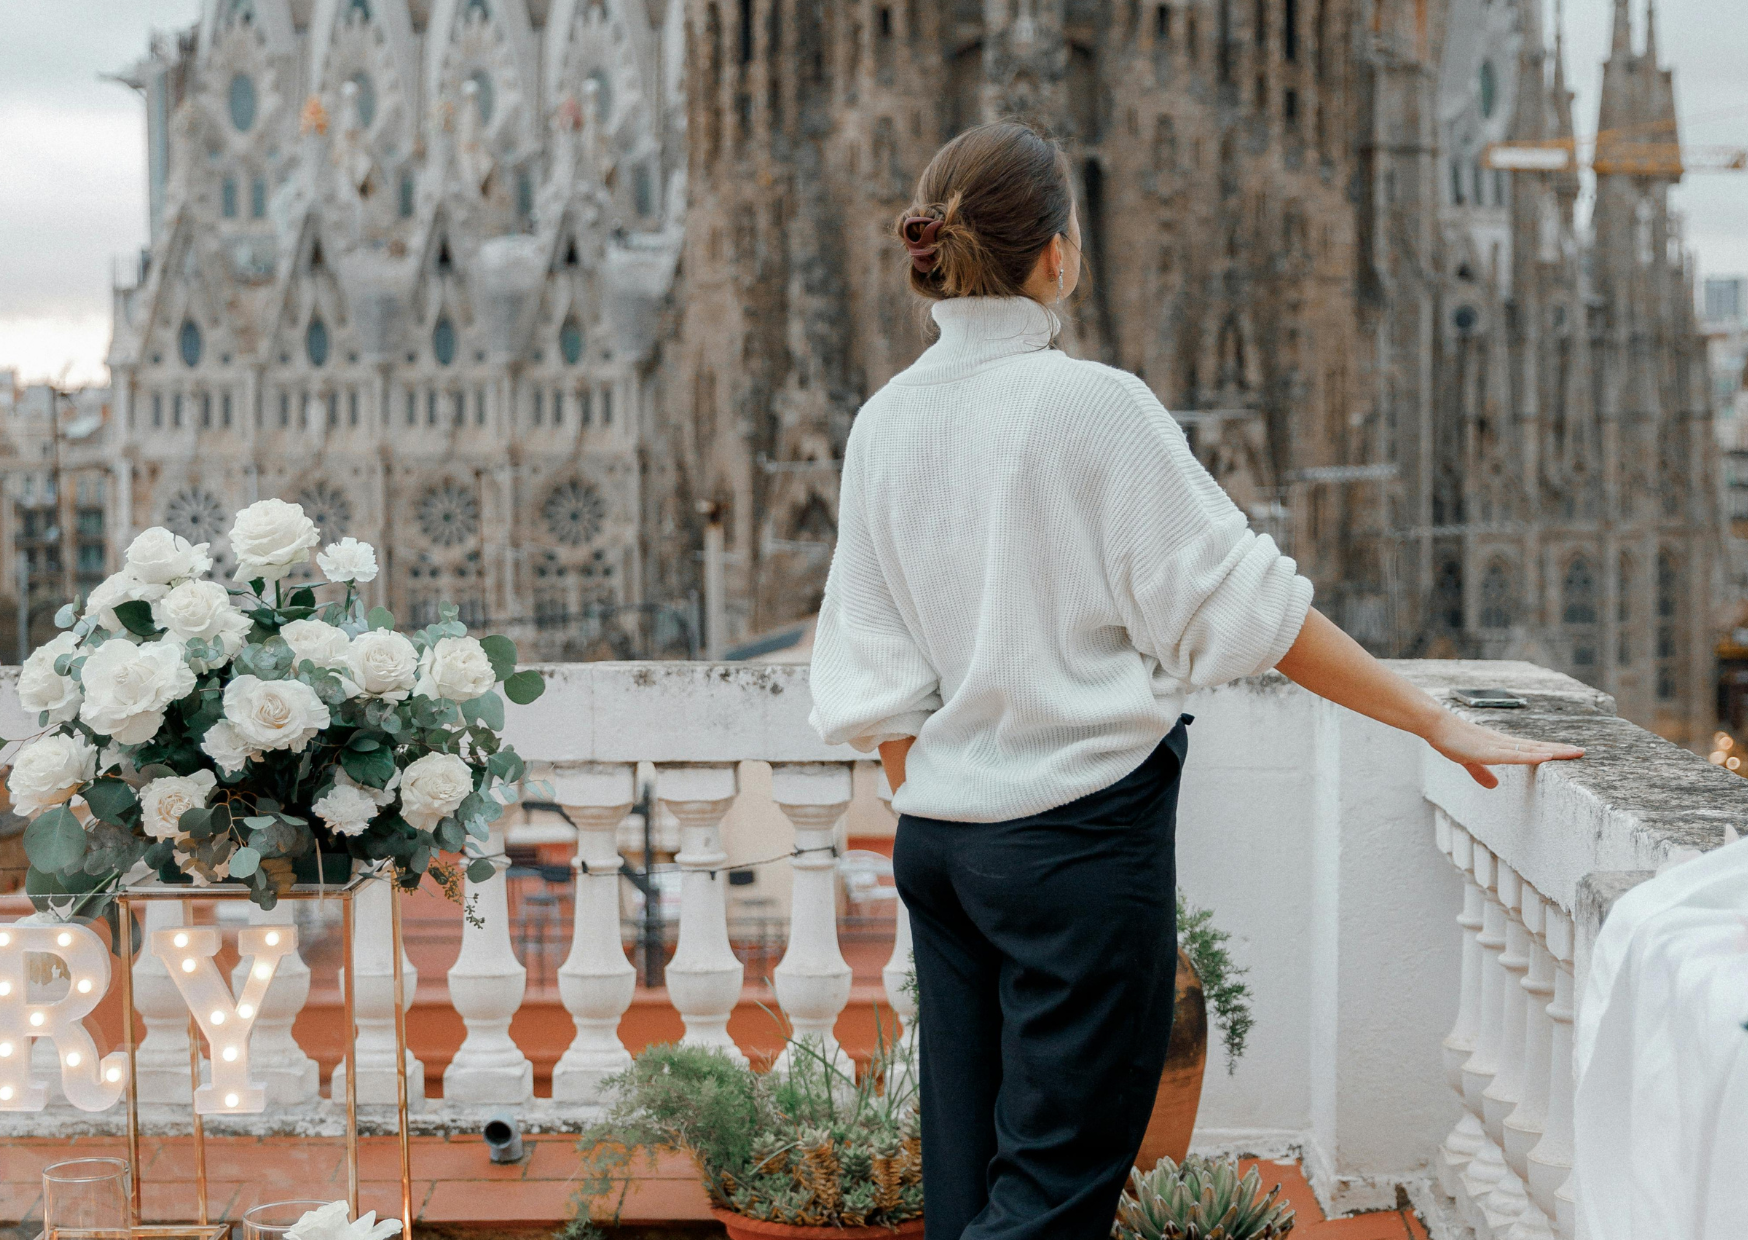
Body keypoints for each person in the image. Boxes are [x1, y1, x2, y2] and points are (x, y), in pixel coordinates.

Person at [806, 120, 1584, 1240]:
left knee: (966, 1176)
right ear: (1059, 253)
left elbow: (873, 666)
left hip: (940, 844)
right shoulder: (1093, 406)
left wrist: (944, 795)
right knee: (1055, 1188)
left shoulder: (884, 421)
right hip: (1073, 844)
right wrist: (1431, 720)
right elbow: (1251, 610)